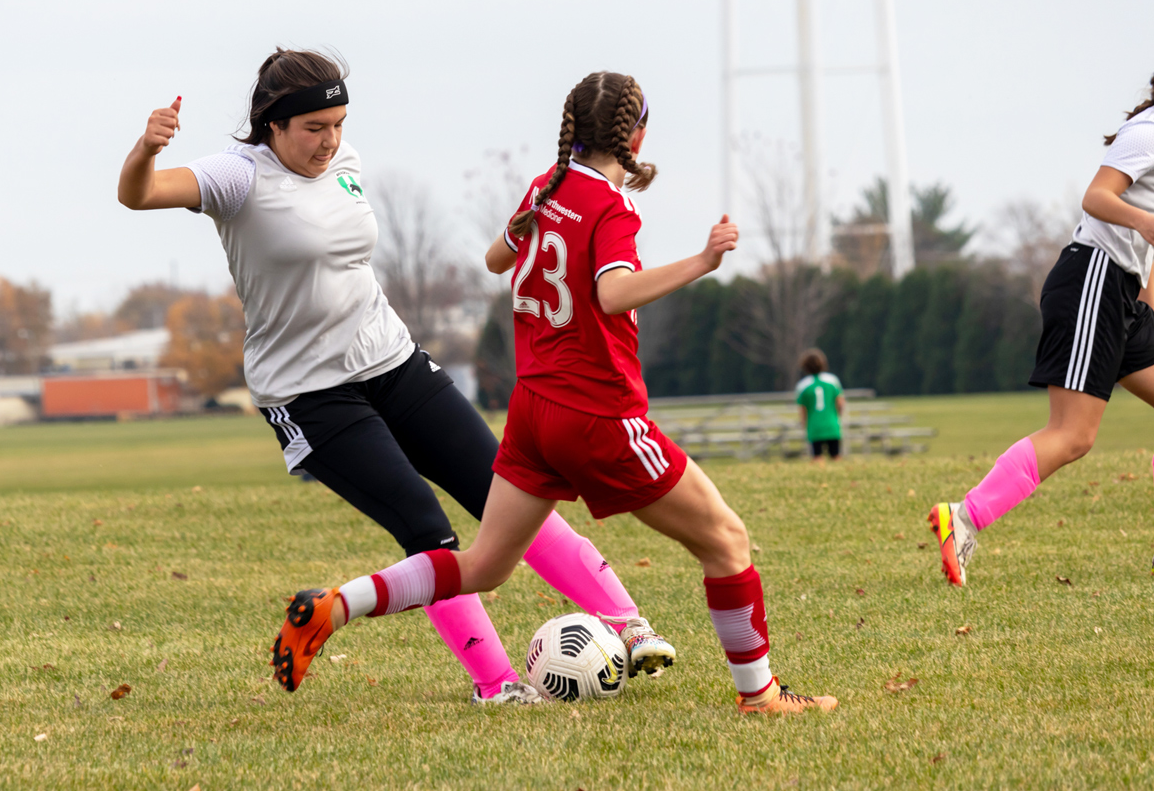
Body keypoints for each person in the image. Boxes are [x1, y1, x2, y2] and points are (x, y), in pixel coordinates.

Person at [116, 49, 674, 704]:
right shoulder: (238, 177)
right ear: (272, 123)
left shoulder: (345, 164)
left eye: (339, 124)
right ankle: (495, 686)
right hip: (310, 394)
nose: (330, 142)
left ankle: (629, 625)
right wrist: (144, 150)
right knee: (425, 527)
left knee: (509, 491)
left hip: (394, 362)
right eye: (313, 128)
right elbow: (140, 194)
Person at [273, 71, 838, 714]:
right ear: (636, 134)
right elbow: (612, 292)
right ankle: (760, 696)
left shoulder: (548, 185)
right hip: (599, 415)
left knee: (484, 564)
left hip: (534, 411)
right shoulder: (613, 207)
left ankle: (338, 604)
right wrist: (702, 262)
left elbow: (494, 258)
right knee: (727, 542)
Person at [931, 73, 1154, 586]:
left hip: (1120, 297)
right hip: (1092, 282)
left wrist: (1144, 310)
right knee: (1072, 435)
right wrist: (1141, 223)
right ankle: (962, 518)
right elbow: (1096, 198)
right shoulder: (1147, 131)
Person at [795, 348, 844, 460]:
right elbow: (840, 403)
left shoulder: (803, 385)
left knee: (817, 456)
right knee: (835, 455)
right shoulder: (832, 380)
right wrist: (838, 417)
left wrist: (804, 424)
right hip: (831, 423)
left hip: (814, 425)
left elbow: (802, 410)